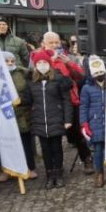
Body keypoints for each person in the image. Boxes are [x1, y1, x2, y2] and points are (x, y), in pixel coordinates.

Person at [0, 51, 38, 181]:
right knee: (5, 144)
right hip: (2, 116)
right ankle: (7, 170)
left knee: (25, 142)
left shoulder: (23, 73)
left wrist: (18, 100)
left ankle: (29, 167)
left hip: (21, 114)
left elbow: (29, 93)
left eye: (12, 60)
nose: (10, 63)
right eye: (6, 61)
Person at [40, 32, 93, 175]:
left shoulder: (68, 57)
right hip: (51, 102)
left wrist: (68, 64)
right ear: (44, 44)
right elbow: (37, 76)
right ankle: (56, 167)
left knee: (77, 133)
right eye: (51, 43)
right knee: (54, 136)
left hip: (71, 100)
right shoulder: (40, 58)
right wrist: (51, 61)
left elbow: (80, 75)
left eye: (56, 42)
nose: (54, 45)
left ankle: (87, 159)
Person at [29, 50, 74, 189]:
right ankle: (50, 175)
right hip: (40, 121)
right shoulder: (32, 82)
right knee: (45, 150)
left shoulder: (58, 79)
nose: (42, 65)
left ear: (49, 64)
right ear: (35, 65)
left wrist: (68, 119)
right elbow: (28, 100)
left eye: (44, 62)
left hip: (56, 119)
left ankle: (59, 174)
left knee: (57, 148)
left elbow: (66, 100)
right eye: (39, 63)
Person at [80, 57, 106, 188]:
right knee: (98, 150)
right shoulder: (86, 88)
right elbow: (83, 106)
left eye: (101, 72)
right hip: (95, 122)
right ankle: (99, 173)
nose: (99, 75)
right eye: (96, 73)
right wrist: (84, 123)